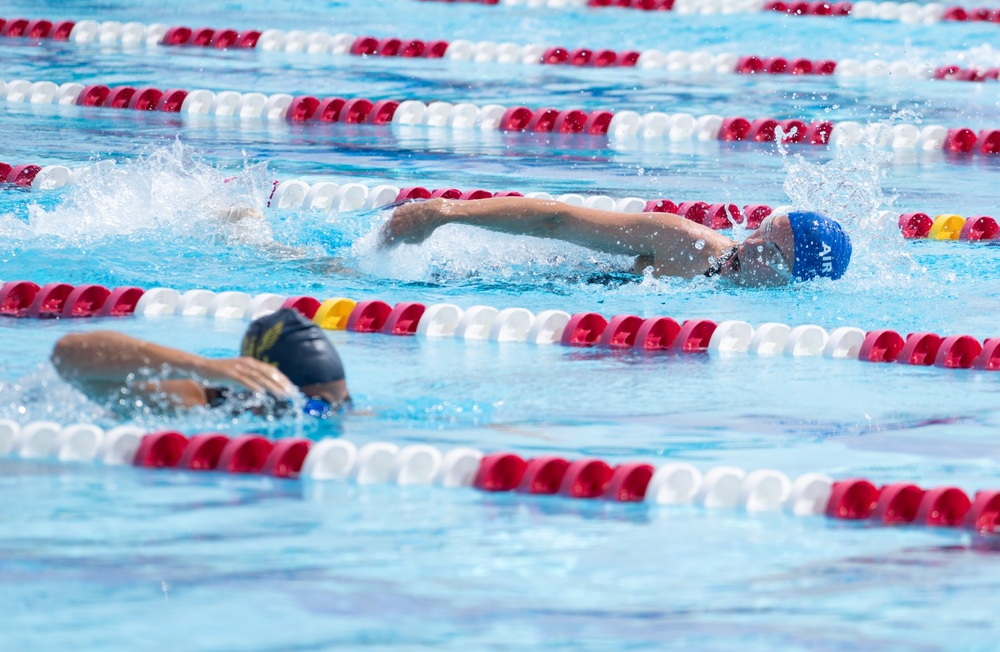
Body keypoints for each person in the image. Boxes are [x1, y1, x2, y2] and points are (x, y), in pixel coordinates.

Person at [380, 196, 852, 287]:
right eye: (762, 229)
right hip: (509, 283)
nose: (748, 245)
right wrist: (446, 213)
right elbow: (559, 221)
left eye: (770, 252)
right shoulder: (683, 242)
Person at [51, 308, 350, 418]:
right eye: (316, 407)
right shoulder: (189, 403)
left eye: (344, 402)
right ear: (261, 391)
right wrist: (204, 368)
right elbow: (67, 353)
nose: (332, 415)